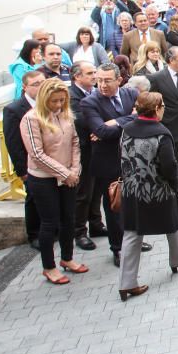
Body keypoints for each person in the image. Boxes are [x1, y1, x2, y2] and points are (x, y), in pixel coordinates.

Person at [118, 91, 178, 301]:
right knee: (173, 225)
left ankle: (126, 283)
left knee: (132, 234)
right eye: (162, 107)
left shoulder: (127, 129)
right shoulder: (161, 133)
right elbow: (169, 165)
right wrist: (175, 185)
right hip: (158, 190)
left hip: (132, 190)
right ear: (156, 109)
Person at [20, 79, 88, 285]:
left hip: (68, 174)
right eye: (54, 101)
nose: (58, 105)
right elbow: (37, 154)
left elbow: (75, 142)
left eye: (61, 100)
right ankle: (49, 266)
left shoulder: (65, 114)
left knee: (69, 218)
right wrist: (64, 173)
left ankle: (67, 258)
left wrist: (75, 169)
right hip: (43, 179)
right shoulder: (31, 119)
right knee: (49, 223)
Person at [80, 63, 140, 267]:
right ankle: (118, 248)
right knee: (114, 206)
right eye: (99, 80)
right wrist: (129, 120)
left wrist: (115, 122)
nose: (102, 85)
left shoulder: (131, 94)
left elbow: (143, 118)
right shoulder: (90, 103)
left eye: (107, 80)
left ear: (119, 80)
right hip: (108, 163)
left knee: (133, 202)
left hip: (132, 159)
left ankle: (134, 240)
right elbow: (102, 132)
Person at [148, 47, 178, 206]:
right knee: (169, 163)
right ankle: (169, 193)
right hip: (168, 129)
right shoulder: (156, 78)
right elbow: (153, 103)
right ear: (172, 61)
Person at [3, 71, 45, 249]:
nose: (40, 86)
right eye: (35, 84)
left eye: (42, 82)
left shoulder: (48, 104)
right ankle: (34, 233)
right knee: (33, 198)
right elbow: (13, 142)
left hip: (48, 159)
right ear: (25, 87)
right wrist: (22, 170)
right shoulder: (14, 109)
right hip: (29, 163)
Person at [67, 63, 106, 251]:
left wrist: (101, 128)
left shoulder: (95, 92)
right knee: (83, 193)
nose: (94, 76)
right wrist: (100, 127)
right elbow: (81, 120)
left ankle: (96, 224)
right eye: (90, 73)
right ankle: (80, 232)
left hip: (98, 148)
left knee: (97, 188)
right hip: (83, 149)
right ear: (77, 77)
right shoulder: (72, 96)